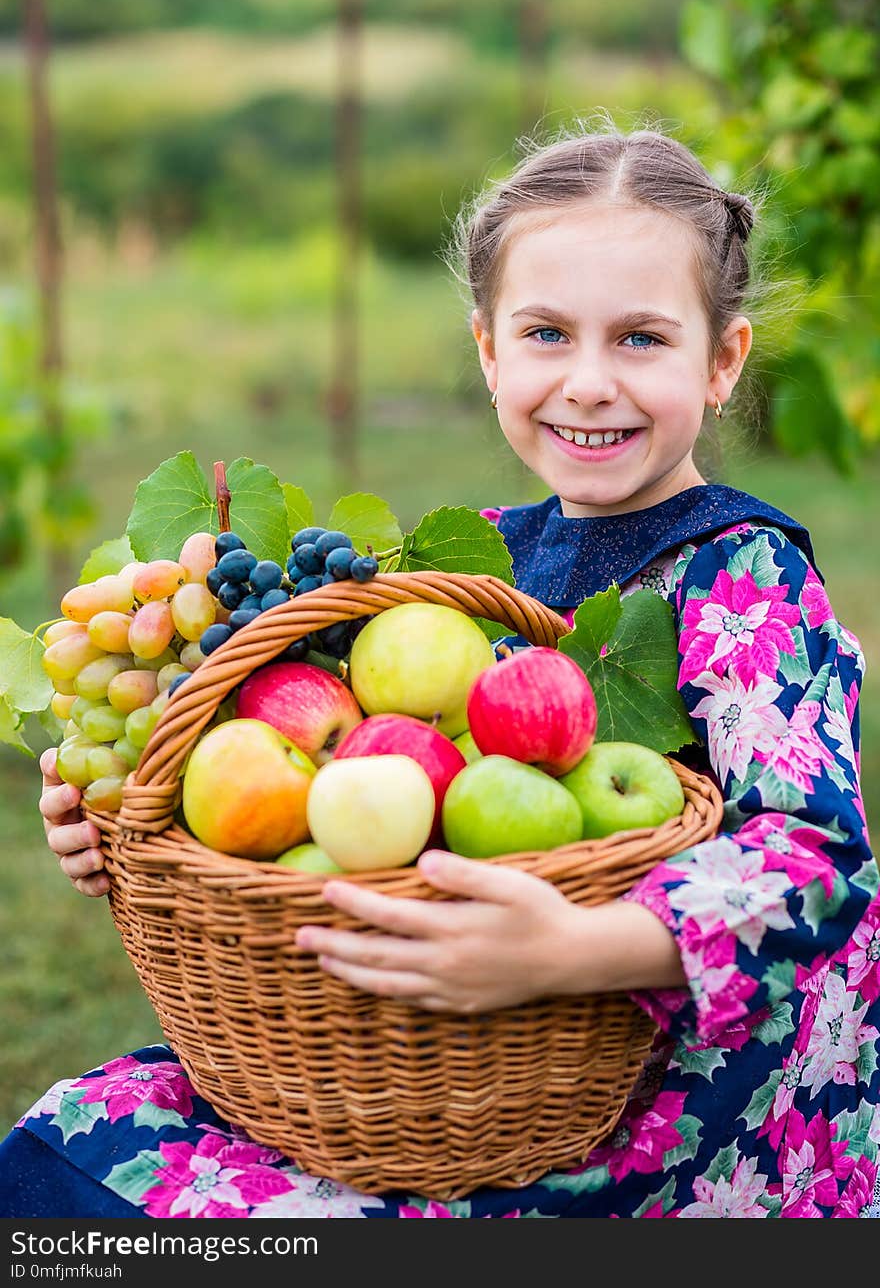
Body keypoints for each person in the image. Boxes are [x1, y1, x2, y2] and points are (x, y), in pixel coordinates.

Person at [3, 123, 879, 1219]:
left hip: (663, 1107)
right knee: (63, 1146)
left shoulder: (742, 574)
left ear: (722, 362)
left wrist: (568, 949)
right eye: (547, 333)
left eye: (643, 339)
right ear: (488, 353)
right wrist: (135, 822)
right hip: (434, 1065)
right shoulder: (471, 560)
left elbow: (818, 864)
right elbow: (336, 784)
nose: (589, 382)